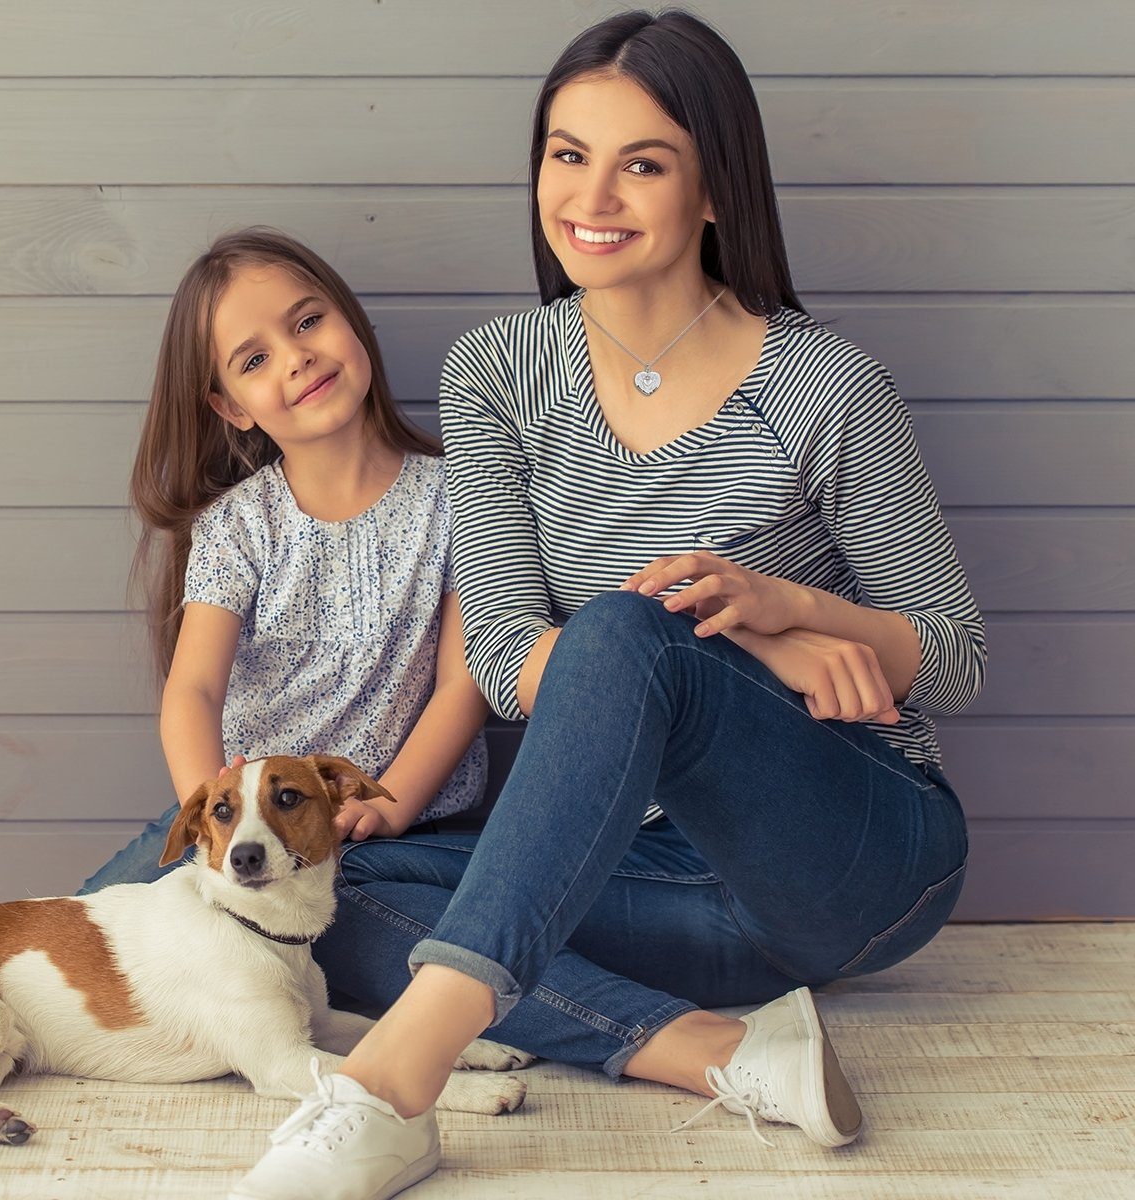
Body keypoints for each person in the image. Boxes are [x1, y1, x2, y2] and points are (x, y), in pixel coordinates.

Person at [228, 11, 986, 1200]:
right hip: (662, 885)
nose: (593, 195)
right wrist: (740, 651)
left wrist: (782, 614)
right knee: (326, 887)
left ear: (714, 188)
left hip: (858, 854)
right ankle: (721, 1052)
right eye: (567, 154)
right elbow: (507, 655)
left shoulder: (824, 384)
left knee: (628, 628)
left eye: (643, 163)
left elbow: (953, 656)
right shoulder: (497, 373)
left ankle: (388, 1092)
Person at [79, 227, 488, 896]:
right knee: (83, 934)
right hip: (247, 831)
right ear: (230, 407)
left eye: (308, 322)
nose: (297, 358)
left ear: (350, 319)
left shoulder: (457, 497)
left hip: (400, 831)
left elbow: (462, 684)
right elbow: (193, 690)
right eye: (255, 359)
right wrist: (221, 827)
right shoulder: (237, 527)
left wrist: (390, 807)